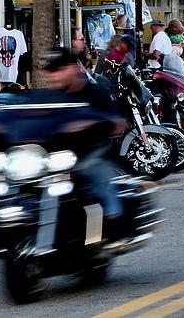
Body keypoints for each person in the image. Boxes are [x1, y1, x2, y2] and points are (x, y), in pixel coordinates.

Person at [42, 47, 126, 233]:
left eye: (60, 69)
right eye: (52, 71)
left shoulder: (96, 93)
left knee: (99, 177)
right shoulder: (52, 97)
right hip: (57, 159)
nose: (55, 76)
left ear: (73, 68)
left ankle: (114, 225)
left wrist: (93, 125)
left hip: (92, 154)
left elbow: (118, 124)